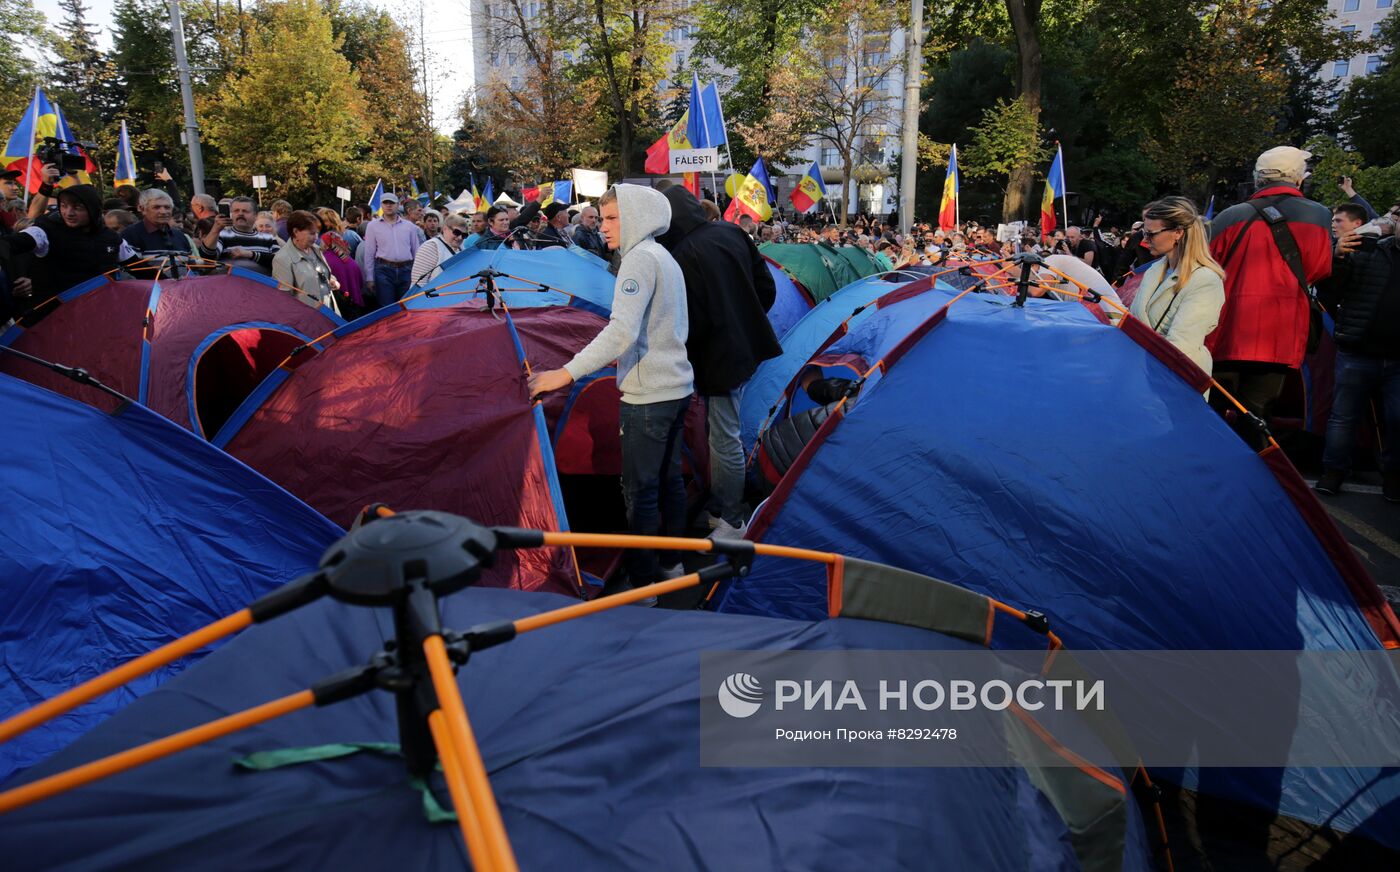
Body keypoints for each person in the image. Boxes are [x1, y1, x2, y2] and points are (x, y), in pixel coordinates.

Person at [528, 184, 693, 599]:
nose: (604, 228)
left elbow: (620, 332)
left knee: (640, 491)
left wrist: (563, 374)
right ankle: (673, 567)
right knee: (669, 479)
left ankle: (642, 587)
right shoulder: (663, 255)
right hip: (676, 387)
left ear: (637, 216)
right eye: (602, 219)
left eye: (614, 218)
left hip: (649, 395)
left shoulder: (638, 260)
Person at [656, 185, 780, 539]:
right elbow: (766, 287)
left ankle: (732, 519)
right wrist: (747, 320)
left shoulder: (679, 253)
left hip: (717, 355)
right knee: (722, 431)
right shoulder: (730, 231)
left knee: (723, 435)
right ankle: (725, 505)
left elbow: (688, 320)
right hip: (744, 345)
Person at [1207, 146, 1332, 448]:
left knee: (1214, 414)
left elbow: (1208, 266)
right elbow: (1317, 270)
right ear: (1299, 178)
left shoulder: (1229, 215)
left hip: (1227, 328)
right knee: (1258, 416)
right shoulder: (1318, 215)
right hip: (1280, 331)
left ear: (1258, 178)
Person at [1315, 205, 1400, 500]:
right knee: (1343, 417)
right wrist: (1336, 257)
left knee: (1397, 419)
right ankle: (1333, 471)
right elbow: (1331, 291)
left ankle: (1393, 477)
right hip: (1358, 350)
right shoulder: (1367, 248)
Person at [1127, 197, 1226, 375]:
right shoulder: (1154, 270)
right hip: (1144, 371)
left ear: (1178, 233)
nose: (1144, 239)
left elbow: (1182, 346)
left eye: (1151, 234)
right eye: (1144, 232)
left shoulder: (1205, 280)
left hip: (1174, 380)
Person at [5, 183, 137, 310]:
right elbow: (11, 244)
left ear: (93, 210)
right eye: (63, 206)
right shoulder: (44, 231)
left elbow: (142, 270)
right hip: (53, 318)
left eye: (77, 207)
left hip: (98, 314)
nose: (69, 213)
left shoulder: (111, 238)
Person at [361, 192, 420, 306]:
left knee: (406, 305)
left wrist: (417, 275)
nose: (388, 205)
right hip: (383, 270)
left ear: (397, 205)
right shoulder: (373, 226)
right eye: (385, 203)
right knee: (386, 306)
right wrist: (369, 278)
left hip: (407, 269)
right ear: (381, 205)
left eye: (391, 203)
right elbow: (369, 253)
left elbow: (416, 251)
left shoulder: (410, 227)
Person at [272, 210, 339, 310]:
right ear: (295, 232)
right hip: (307, 318)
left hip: (329, 311)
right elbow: (283, 298)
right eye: (312, 233)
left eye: (317, 233)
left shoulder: (316, 249)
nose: (316, 237)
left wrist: (333, 281)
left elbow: (323, 273)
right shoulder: (282, 258)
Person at [120, 188, 195, 277]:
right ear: (142, 209)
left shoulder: (180, 236)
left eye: (167, 207)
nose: (163, 212)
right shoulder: (131, 234)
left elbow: (192, 268)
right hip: (148, 290)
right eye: (156, 207)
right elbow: (131, 273)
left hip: (181, 289)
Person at [199, 196, 281, 274]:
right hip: (231, 286)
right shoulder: (223, 235)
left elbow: (279, 261)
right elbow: (207, 257)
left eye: (245, 211)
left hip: (261, 285)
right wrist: (215, 229)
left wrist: (250, 254)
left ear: (255, 216)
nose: (240, 214)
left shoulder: (268, 238)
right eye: (236, 211)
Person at [316, 207, 366, 316]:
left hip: (338, 307)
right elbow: (359, 282)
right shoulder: (348, 260)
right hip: (353, 306)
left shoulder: (324, 259)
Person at [411, 213, 469, 286]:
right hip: (434, 296)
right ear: (445, 229)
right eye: (456, 232)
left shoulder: (462, 248)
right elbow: (418, 283)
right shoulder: (431, 247)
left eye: (464, 235)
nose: (460, 237)